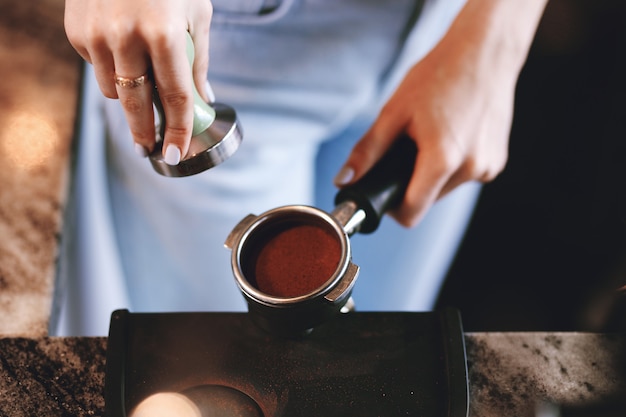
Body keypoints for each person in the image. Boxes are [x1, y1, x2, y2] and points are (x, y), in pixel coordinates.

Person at [52, 0, 548, 336]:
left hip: (449, 37)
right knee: (222, 373)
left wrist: (495, 42)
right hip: (231, 47)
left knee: (377, 361)